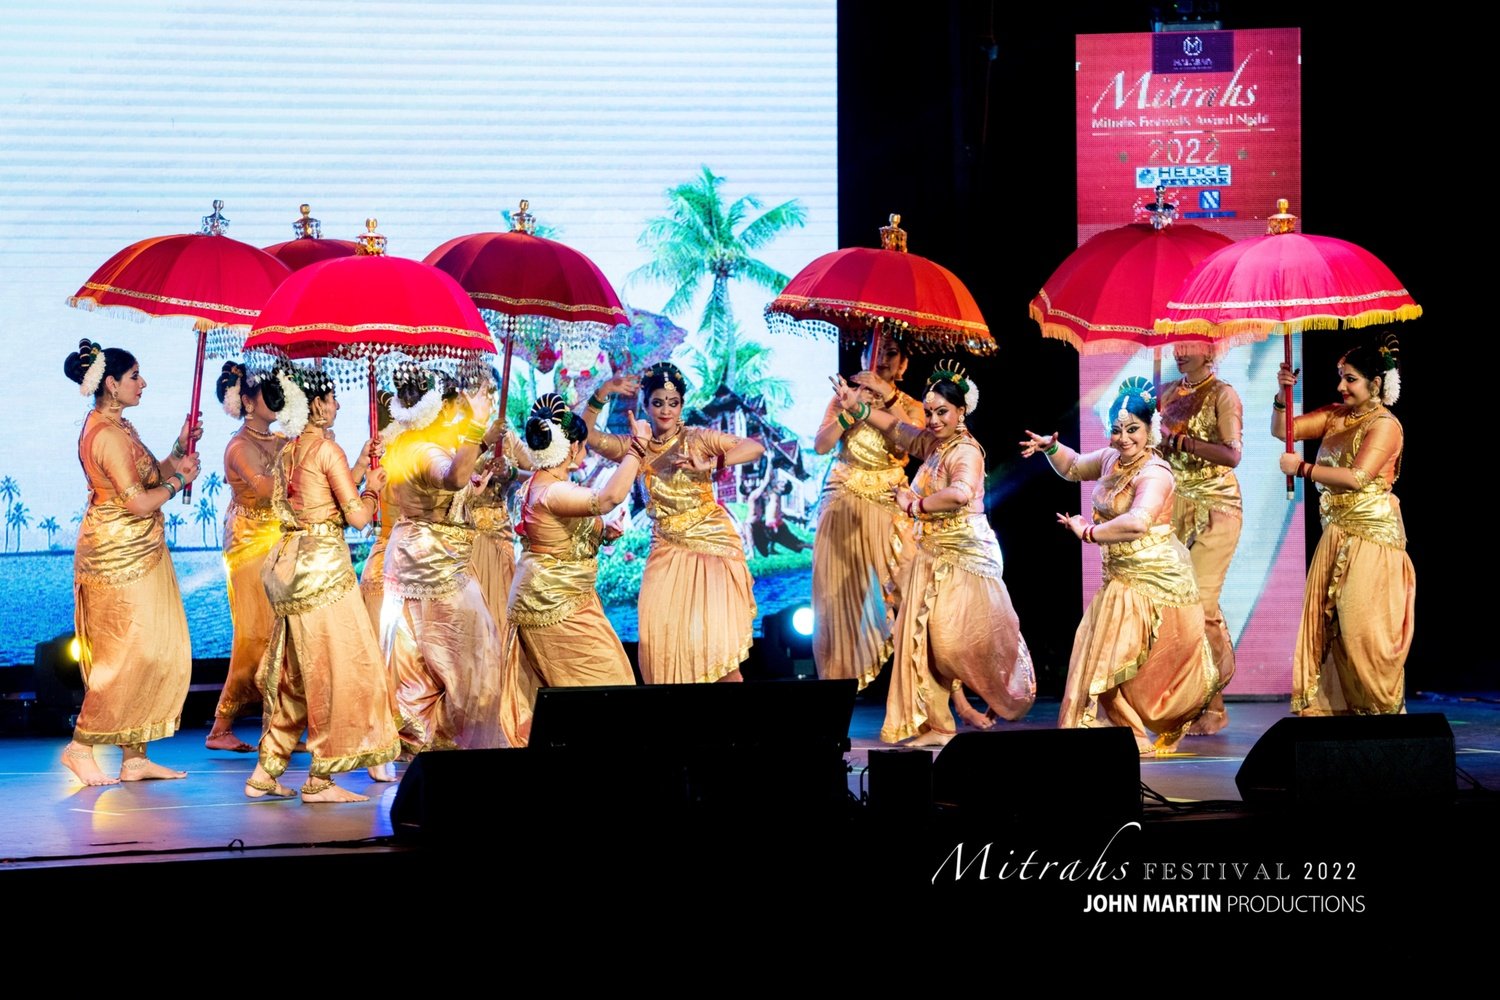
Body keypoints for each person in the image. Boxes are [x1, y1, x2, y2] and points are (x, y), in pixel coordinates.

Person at [835, 360, 1036, 746]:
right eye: (929, 412)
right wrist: (856, 407)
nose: (933, 420)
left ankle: (1006, 694)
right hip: (931, 554)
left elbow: (960, 493)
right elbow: (896, 428)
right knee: (919, 638)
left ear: (961, 411)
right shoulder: (934, 444)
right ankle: (938, 725)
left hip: (965, 556)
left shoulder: (967, 452)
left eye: (942, 412)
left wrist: (914, 505)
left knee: (951, 641)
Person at [1023, 376, 1219, 754]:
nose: (1124, 438)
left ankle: (1131, 737)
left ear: (1149, 430)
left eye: (1133, 430)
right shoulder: (1112, 458)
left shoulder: (1155, 473)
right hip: (1120, 577)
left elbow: (1138, 522)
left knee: (1113, 663)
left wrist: (1088, 532)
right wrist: (1052, 449)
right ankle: (1125, 738)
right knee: (1101, 661)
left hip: (1154, 580)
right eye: (1117, 430)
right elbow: (1074, 466)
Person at [245, 365, 400, 802]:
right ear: (315, 403)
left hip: (295, 569)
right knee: (343, 670)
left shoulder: (291, 450)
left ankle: (265, 771)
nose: (337, 405)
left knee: (297, 676)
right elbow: (357, 517)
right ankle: (320, 779)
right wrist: (372, 489)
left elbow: (320, 499)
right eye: (331, 399)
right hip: (324, 575)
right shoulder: (326, 450)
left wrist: (359, 464)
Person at [61, 339, 201, 785]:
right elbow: (139, 502)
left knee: (150, 651)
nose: (143, 384)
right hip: (117, 556)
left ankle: (135, 757)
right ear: (111, 383)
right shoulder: (104, 435)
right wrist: (180, 482)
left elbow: (150, 474)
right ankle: (80, 745)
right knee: (124, 656)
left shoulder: (119, 426)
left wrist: (179, 448)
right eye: (135, 376)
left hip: (140, 548)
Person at [583, 362, 764, 684]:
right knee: (658, 639)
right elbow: (588, 436)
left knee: (715, 645)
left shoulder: (698, 438)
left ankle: (731, 714)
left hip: (712, 547)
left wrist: (712, 462)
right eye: (658, 403)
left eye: (673, 403)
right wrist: (603, 393)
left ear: (681, 405)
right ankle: (674, 711)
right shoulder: (636, 448)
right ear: (645, 405)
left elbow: (755, 448)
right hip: (666, 549)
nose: (666, 410)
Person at [1273, 333, 1414, 715]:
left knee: (1362, 628)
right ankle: (1343, 714)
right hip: (1336, 533)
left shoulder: (1385, 425)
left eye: (1351, 379)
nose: (1341, 386)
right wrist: (1282, 394)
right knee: (1330, 625)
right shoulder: (1337, 415)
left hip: (1372, 536)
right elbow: (1283, 430)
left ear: (1376, 384)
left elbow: (1358, 477)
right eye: (1341, 377)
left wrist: (1303, 469)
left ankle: (1386, 713)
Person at [499, 393, 647, 746]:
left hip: (565, 599)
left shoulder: (543, 485)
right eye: (582, 444)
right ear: (573, 447)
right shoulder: (551, 491)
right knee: (605, 688)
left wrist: (602, 533)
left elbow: (563, 535)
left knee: (584, 694)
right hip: (555, 605)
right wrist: (637, 447)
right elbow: (608, 499)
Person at [379, 362, 506, 752]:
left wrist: (472, 479)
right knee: (473, 661)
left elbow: (447, 488)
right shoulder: (423, 449)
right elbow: (451, 478)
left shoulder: (406, 443)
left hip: (416, 557)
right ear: (442, 407)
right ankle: (451, 746)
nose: (460, 409)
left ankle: (426, 745)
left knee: (420, 664)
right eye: (456, 403)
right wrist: (477, 427)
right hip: (434, 565)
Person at [812, 337, 925, 690]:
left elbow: (917, 444)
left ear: (903, 364)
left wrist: (887, 397)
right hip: (843, 500)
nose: (882, 359)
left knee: (913, 592)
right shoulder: (843, 397)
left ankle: (931, 695)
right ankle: (834, 694)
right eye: (876, 350)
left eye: (892, 353)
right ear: (863, 356)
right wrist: (850, 409)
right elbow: (821, 445)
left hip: (890, 502)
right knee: (836, 601)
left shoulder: (910, 405)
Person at [1158, 343, 1243, 734]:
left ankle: (1214, 702)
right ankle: (1184, 698)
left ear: (1209, 350)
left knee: (1202, 606)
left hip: (1216, 507)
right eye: (1178, 344)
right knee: (1172, 605)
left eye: (1190, 345)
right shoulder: (1167, 394)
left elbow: (1232, 456)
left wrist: (1183, 442)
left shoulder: (1224, 395)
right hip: (1174, 506)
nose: (1180, 352)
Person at [206, 363, 284, 752]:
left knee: (283, 633)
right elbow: (267, 489)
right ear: (249, 402)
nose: (279, 400)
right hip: (249, 545)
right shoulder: (238, 447)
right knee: (254, 636)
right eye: (270, 394)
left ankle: (281, 725)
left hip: (281, 542)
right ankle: (221, 725)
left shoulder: (282, 439)